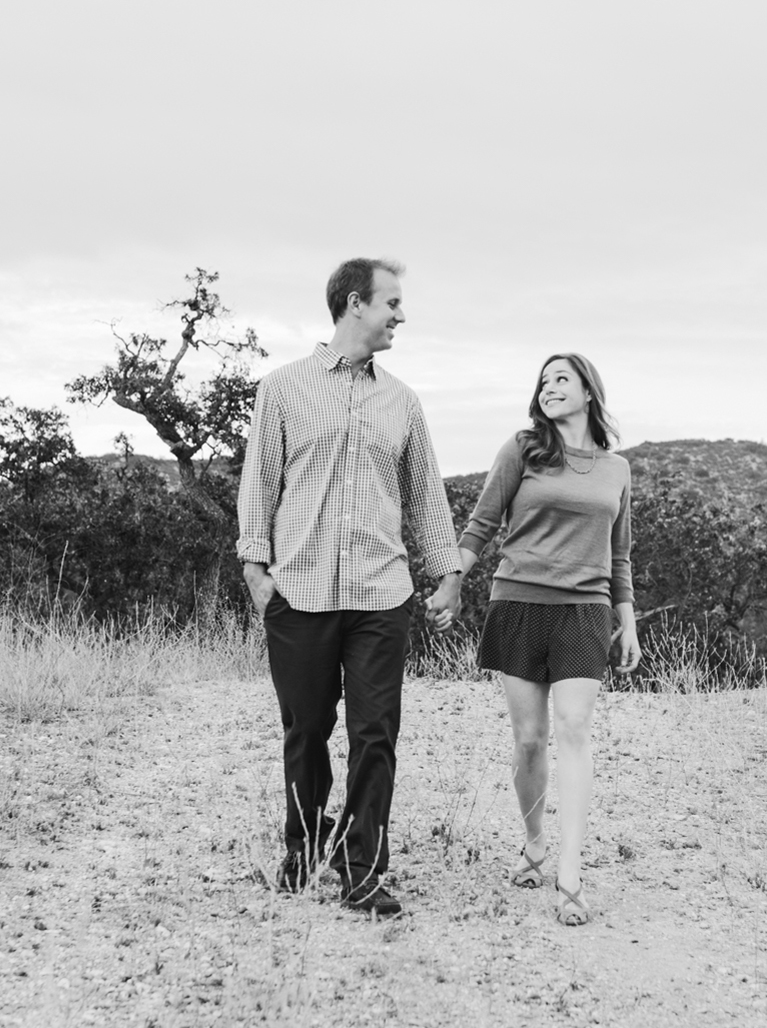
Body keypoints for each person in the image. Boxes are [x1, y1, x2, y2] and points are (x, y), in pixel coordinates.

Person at [236, 257, 465, 917]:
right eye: (392, 302)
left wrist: (445, 574)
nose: (400, 315)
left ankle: (362, 868)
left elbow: (425, 496)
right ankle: (304, 848)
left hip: (380, 594)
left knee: (375, 734)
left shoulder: (403, 401)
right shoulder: (282, 389)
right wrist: (257, 570)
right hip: (299, 594)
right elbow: (261, 481)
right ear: (355, 303)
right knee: (306, 731)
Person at [455, 352, 640, 926]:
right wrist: (451, 583)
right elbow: (482, 524)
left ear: (589, 391)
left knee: (574, 731)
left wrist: (627, 619)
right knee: (531, 739)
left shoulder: (617, 469)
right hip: (519, 601)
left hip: (586, 609)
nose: (550, 387)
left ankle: (570, 873)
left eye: (563, 378)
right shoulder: (521, 449)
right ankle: (534, 844)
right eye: (543, 381)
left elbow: (620, 553)